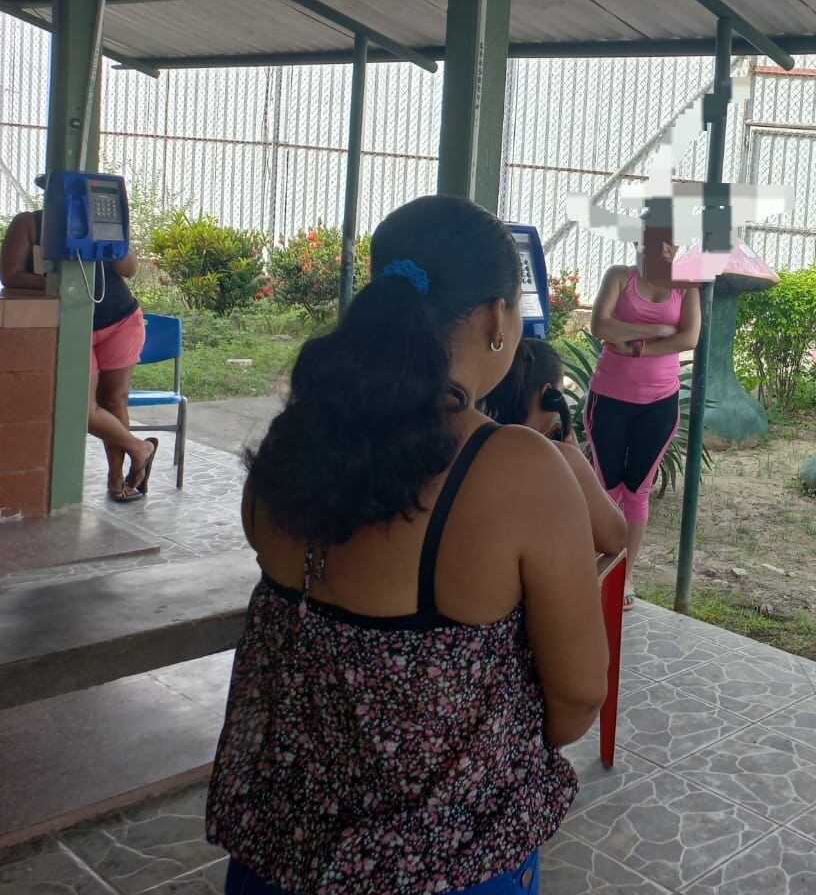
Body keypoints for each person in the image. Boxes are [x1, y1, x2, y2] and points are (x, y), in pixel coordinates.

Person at [207, 195, 608, 895]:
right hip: (448, 865)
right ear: (496, 319)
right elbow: (576, 697)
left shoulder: (290, 445)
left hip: (278, 851)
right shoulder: (515, 469)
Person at [2, 176, 156, 500]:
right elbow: (11, 274)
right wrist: (60, 284)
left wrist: (111, 227)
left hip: (120, 319)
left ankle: (118, 480)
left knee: (115, 400)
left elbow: (128, 268)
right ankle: (139, 449)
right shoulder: (30, 223)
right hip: (71, 324)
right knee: (80, 406)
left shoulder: (104, 221)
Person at [587, 219, 702, 610]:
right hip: (609, 397)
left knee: (637, 490)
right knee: (606, 486)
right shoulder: (620, 277)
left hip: (659, 403)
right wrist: (657, 329)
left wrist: (635, 345)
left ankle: (625, 574)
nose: (662, 250)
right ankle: (595, 566)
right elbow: (599, 324)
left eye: (669, 244)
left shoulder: (686, 288)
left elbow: (687, 338)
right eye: (653, 243)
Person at [483, 337, 628, 557]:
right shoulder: (560, 458)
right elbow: (615, 537)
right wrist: (575, 455)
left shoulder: (471, 443)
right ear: (549, 395)